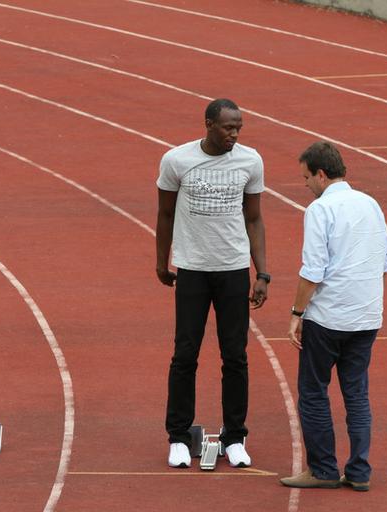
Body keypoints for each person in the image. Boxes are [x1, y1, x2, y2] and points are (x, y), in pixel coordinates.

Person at [156, 98, 269, 469]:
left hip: (233, 270)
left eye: (239, 127)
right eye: (227, 127)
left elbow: (254, 219)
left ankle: (234, 436)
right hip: (192, 269)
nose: (234, 134)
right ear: (208, 124)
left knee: (235, 356)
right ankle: (177, 435)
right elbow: (166, 212)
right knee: (185, 353)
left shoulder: (250, 162)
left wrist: (262, 273)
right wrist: (162, 262)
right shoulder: (177, 161)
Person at [280, 141, 387, 491]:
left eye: (307, 177)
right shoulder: (371, 204)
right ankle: (359, 472)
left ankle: (323, 470)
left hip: (328, 317)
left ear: (322, 174)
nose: (306, 185)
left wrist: (297, 312)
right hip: (367, 315)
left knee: (313, 392)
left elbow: (313, 269)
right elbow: (384, 262)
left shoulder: (319, 209)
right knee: (357, 393)